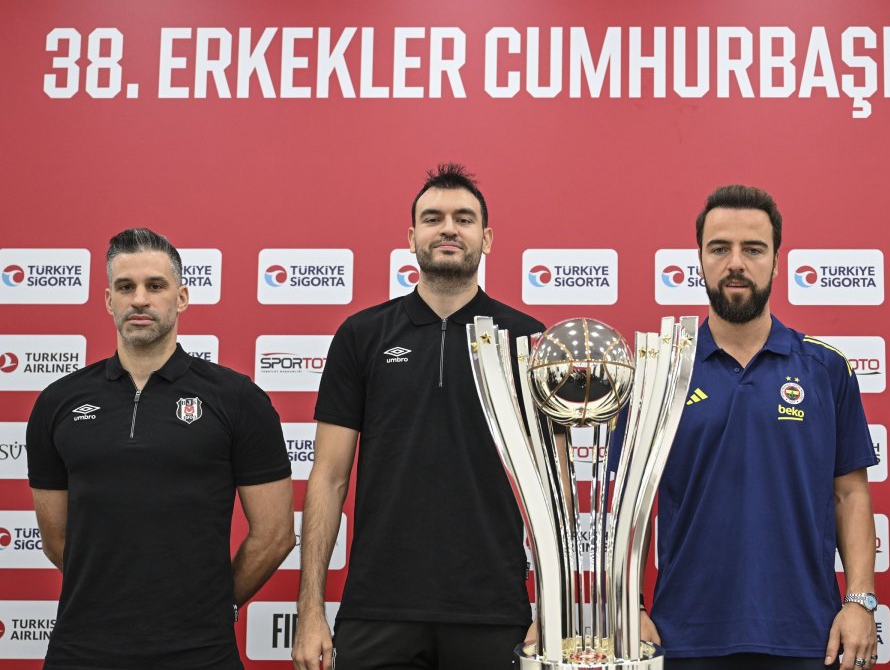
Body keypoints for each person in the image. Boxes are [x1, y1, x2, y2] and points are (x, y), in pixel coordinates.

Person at [293, 163, 545, 670]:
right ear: (412, 237)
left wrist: (552, 609)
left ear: (486, 238)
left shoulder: (528, 340)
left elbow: (551, 488)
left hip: (492, 610)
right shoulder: (362, 335)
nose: (448, 228)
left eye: (463, 218)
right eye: (433, 218)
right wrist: (310, 609)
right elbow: (328, 476)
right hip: (378, 608)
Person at [26, 228, 295, 668]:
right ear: (109, 300)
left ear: (182, 297)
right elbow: (57, 540)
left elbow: (276, 535)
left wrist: (213, 606)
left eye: (155, 286)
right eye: (125, 287)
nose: (139, 300)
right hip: (83, 648)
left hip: (200, 651)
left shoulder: (237, 398)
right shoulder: (58, 402)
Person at [639, 184, 880, 670]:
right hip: (684, 634)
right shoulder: (661, 372)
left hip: (807, 633)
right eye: (719, 248)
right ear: (700, 260)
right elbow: (633, 506)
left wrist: (860, 601)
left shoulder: (826, 369)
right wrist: (631, 607)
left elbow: (849, 495)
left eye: (753, 249)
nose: (736, 263)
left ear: (776, 261)